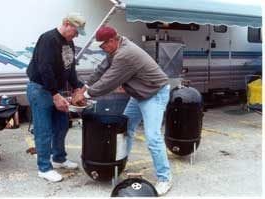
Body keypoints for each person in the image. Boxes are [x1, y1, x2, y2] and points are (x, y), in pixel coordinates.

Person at [72, 26, 173, 195]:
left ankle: (165, 178)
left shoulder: (125, 54)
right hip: (139, 94)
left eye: (103, 45)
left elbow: (109, 81)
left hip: (154, 93)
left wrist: (86, 95)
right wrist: (83, 88)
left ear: (111, 41)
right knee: (125, 130)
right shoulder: (117, 48)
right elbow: (101, 70)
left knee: (153, 137)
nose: (102, 49)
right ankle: (119, 165)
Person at [26, 13, 86, 182]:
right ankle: (44, 168)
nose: (77, 35)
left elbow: (70, 67)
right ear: (67, 24)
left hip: (56, 90)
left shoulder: (69, 42)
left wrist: (77, 86)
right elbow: (45, 69)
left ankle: (58, 158)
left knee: (62, 125)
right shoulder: (48, 39)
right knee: (43, 130)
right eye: (75, 31)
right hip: (41, 89)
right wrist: (54, 94)